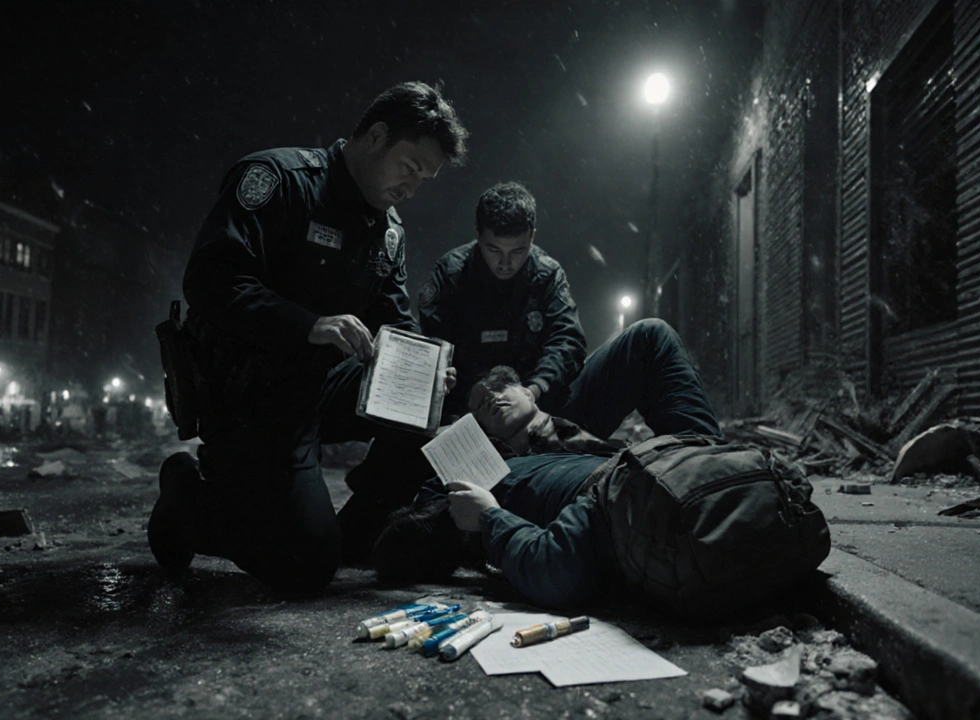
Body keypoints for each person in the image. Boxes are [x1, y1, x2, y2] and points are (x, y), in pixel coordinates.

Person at [148, 81, 469, 592]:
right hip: (249, 393)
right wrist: (308, 325)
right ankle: (188, 496)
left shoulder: (388, 230)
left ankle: (345, 536)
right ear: (377, 136)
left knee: (421, 417)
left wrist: (425, 370)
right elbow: (211, 279)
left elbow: (394, 320)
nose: (412, 188)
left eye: (424, 180)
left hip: (318, 389)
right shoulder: (279, 180)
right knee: (304, 568)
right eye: (410, 168)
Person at [374, 318, 724, 608]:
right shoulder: (493, 472)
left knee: (651, 333)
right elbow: (404, 539)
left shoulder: (572, 424)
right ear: (476, 427)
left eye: (500, 388)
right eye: (480, 405)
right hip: (623, 502)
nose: (492, 397)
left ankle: (723, 470)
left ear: (529, 393)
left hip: (672, 466)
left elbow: (568, 339)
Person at [417, 182, 586, 419]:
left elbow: (567, 341)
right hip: (465, 411)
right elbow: (433, 348)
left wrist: (534, 390)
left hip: (534, 403)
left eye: (518, 251)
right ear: (478, 234)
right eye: (494, 249)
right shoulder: (450, 275)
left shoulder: (547, 275)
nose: (505, 263)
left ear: (532, 236)